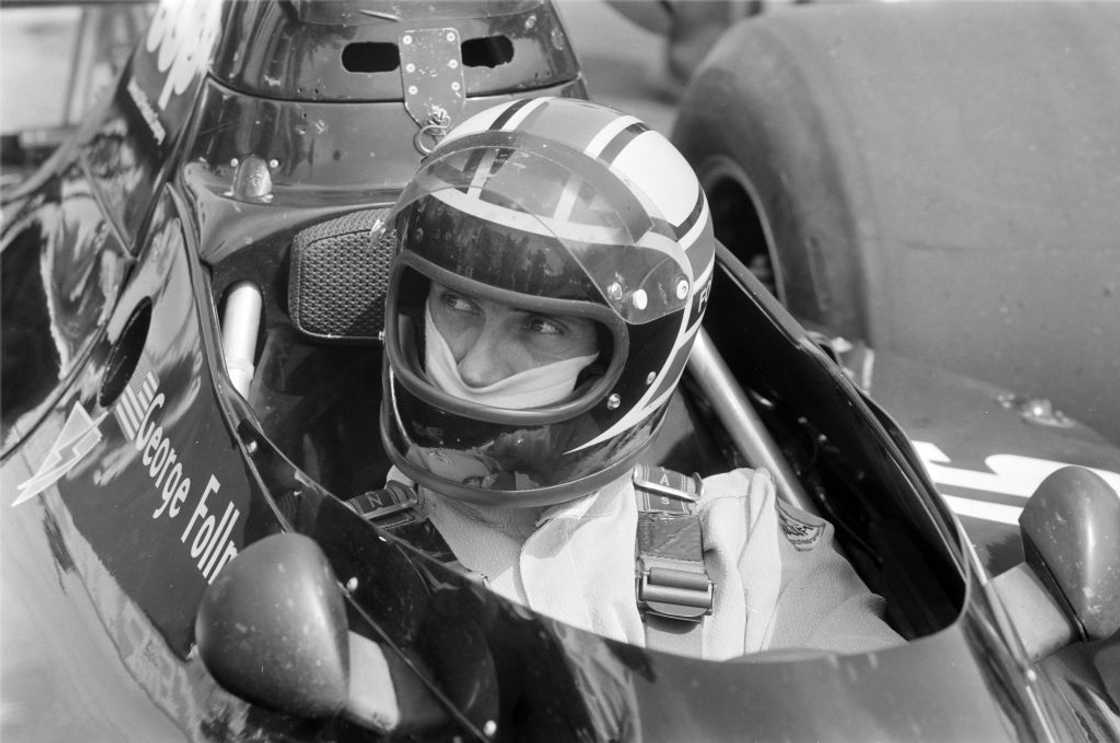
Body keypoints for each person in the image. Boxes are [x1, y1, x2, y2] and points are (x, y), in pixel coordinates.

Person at [375, 96, 899, 659]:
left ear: (634, 355)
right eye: (457, 304)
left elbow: (888, 704)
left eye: (541, 326)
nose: (476, 366)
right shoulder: (342, 549)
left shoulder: (744, 540)